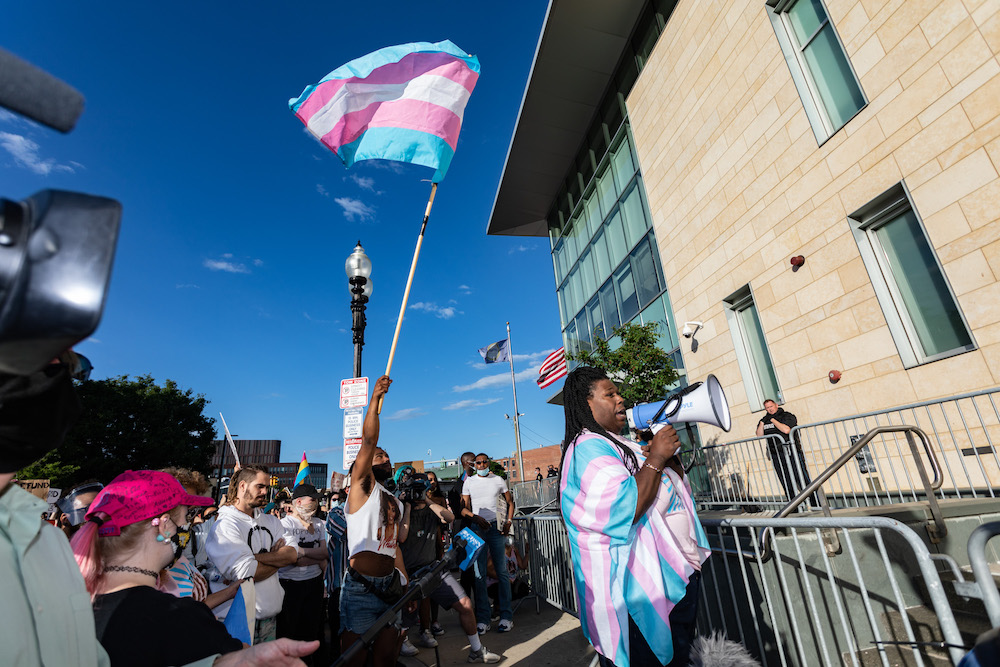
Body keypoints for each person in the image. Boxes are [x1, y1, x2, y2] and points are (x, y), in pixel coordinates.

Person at [560, 366, 710, 667]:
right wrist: (655, 456)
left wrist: (664, 455)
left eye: (619, 392)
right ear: (587, 403)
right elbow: (627, 506)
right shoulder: (587, 448)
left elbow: (670, 485)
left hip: (668, 576)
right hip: (634, 591)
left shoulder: (622, 444)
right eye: (610, 394)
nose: (621, 399)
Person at [70, 470, 243, 666]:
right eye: (186, 516)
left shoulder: (67, 608)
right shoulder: (179, 619)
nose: (188, 525)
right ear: (164, 526)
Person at [398, 473, 501, 663]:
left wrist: (426, 499)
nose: (418, 494)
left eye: (423, 489)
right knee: (404, 620)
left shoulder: (432, 508)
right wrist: (407, 506)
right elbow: (401, 537)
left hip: (433, 569)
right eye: (416, 490)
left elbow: (450, 517)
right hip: (408, 573)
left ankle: (476, 650)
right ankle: (400, 643)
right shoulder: (402, 508)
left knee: (465, 605)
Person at [339, 376, 406, 667]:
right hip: (360, 588)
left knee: (385, 658)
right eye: (378, 455)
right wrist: (375, 402)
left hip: (391, 586)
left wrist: (405, 582)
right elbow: (368, 440)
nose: (384, 456)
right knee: (354, 659)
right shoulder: (363, 488)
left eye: (387, 455)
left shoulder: (396, 500)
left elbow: (394, 546)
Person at [206, 464, 299, 643]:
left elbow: (293, 555)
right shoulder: (225, 525)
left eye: (267, 487)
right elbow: (246, 573)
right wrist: (278, 559)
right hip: (234, 620)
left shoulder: (272, 521)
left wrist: (254, 558)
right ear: (242, 486)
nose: (265, 492)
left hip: (269, 619)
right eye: (260, 486)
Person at [461, 453, 515, 634]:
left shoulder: (498, 480)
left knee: (502, 571)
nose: (482, 464)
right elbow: (463, 508)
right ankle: (483, 619)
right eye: (479, 462)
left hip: (496, 529)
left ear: (489, 463)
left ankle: (507, 616)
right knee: (479, 575)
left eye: (485, 461)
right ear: (474, 464)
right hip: (478, 529)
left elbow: (510, 502)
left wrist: (508, 522)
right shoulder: (469, 482)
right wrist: (475, 518)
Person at [277, 484, 328, 665]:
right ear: (299, 501)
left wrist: (303, 553)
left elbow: (325, 553)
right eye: (312, 499)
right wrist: (311, 557)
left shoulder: (318, 524)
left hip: (314, 584)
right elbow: (293, 559)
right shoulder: (284, 524)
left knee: (310, 632)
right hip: (290, 586)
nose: (316, 503)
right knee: (289, 632)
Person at [756, 399, 813, 503]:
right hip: (775, 454)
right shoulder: (764, 420)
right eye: (767, 408)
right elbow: (759, 435)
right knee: (785, 480)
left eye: (771, 406)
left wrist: (773, 420)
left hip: (791, 451)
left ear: (776, 405)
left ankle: (815, 502)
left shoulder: (787, 416)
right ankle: (793, 505)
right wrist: (762, 423)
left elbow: (786, 430)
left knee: (800, 476)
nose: (769, 409)